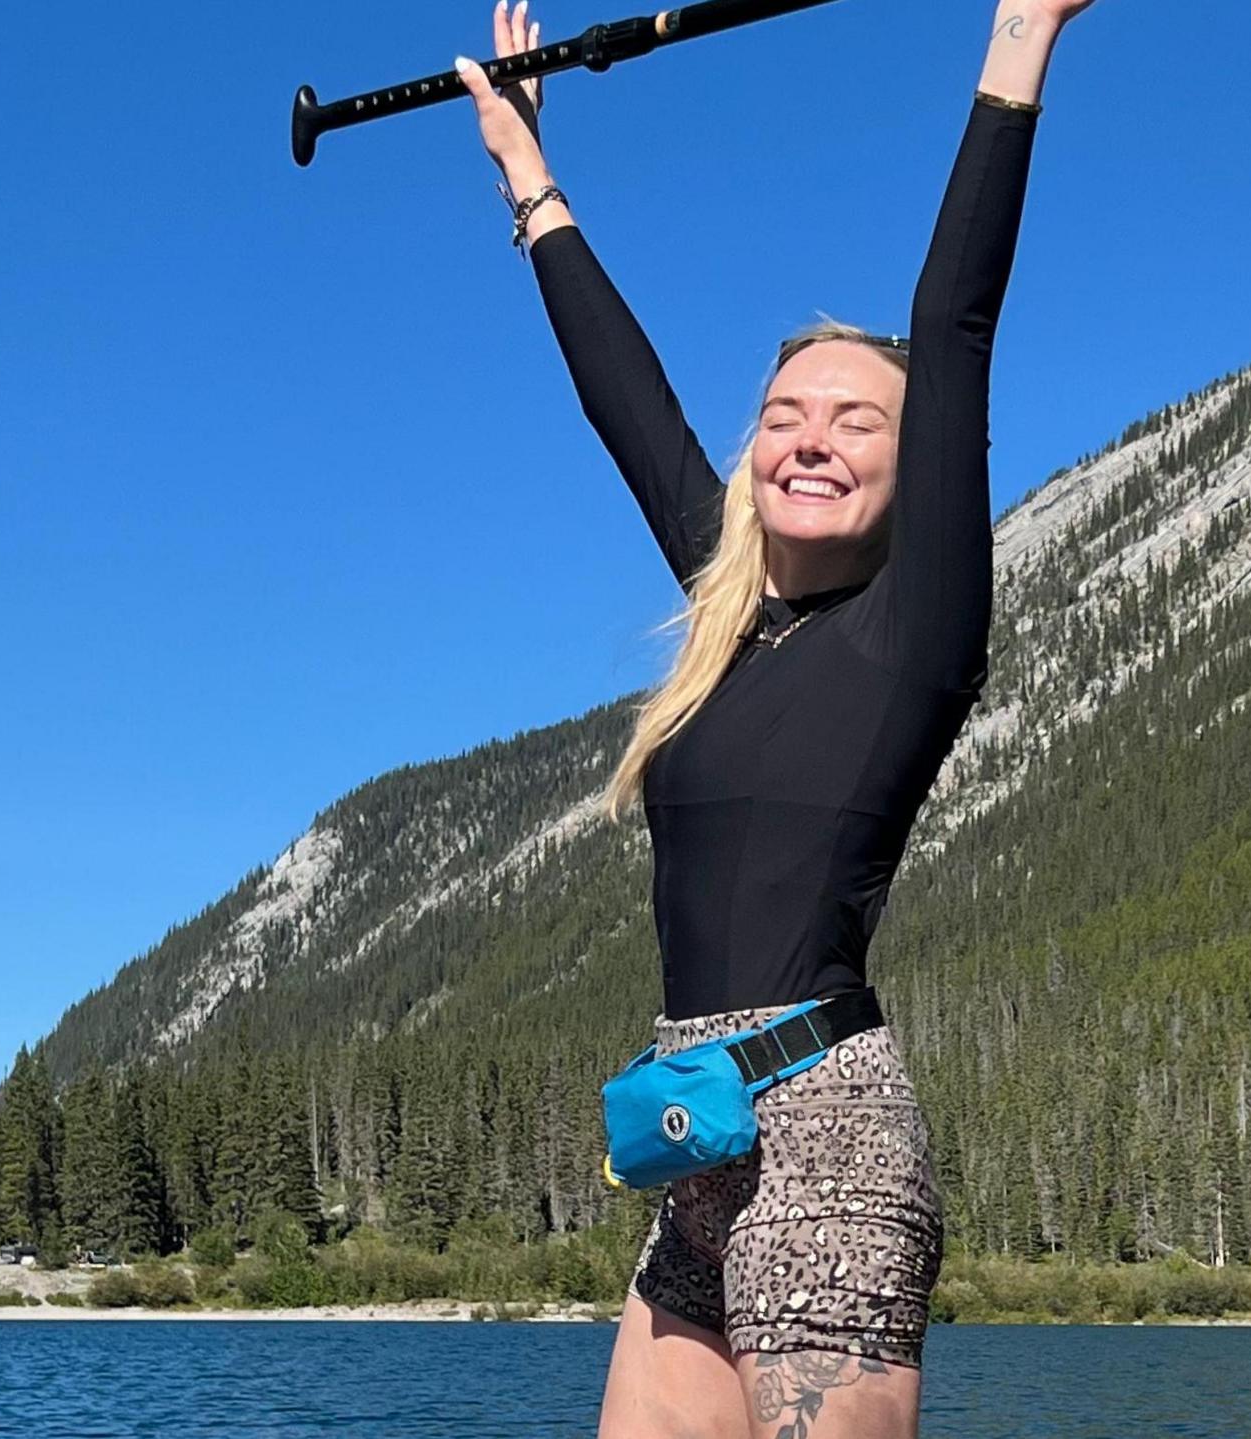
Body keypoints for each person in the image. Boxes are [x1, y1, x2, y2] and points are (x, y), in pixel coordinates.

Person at [453, 1, 1098, 1433]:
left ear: (911, 471)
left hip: (825, 1149)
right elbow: (626, 406)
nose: (812, 434)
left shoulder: (915, 627)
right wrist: (527, 175)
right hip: (694, 1137)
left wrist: (1020, 36)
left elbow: (955, 325)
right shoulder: (730, 621)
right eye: (788, 412)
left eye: (858, 420)